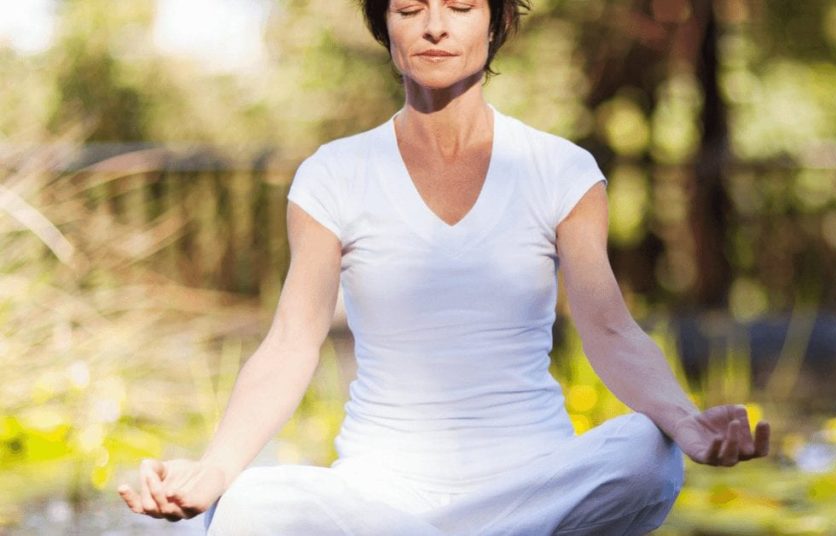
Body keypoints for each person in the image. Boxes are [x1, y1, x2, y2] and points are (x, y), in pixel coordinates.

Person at [117, 0, 771, 533]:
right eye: (410, 9)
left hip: (534, 484)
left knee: (649, 455)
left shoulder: (561, 171)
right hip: (380, 499)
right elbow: (290, 344)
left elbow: (610, 332)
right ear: (386, 27)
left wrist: (685, 422)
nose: (435, 25)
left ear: (495, 22)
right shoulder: (333, 176)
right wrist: (214, 469)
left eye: (460, 6)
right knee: (250, 508)